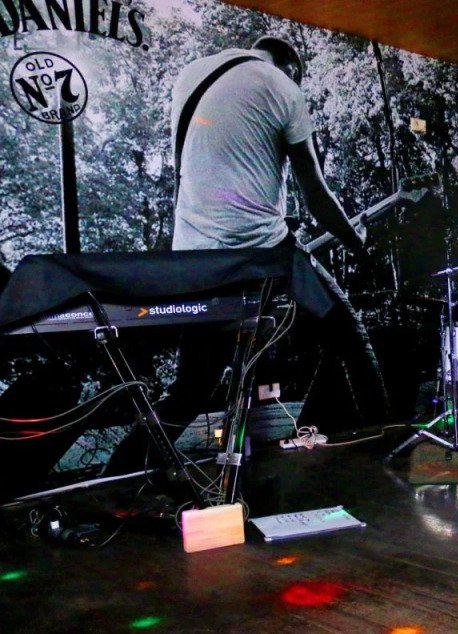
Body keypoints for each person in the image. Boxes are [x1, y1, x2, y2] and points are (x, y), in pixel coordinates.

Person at [105, 37, 389, 475]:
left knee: (193, 386)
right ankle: (386, 445)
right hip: (264, 252)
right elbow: (316, 196)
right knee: (349, 334)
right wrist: (359, 245)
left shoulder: (190, 76)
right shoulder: (283, 86)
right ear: (291, 68)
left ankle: (117, 473)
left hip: (196, 258)